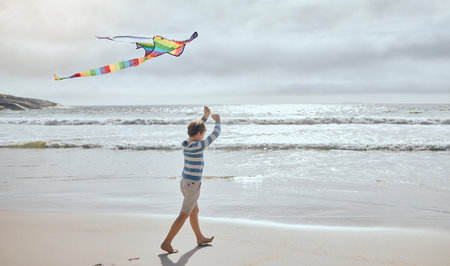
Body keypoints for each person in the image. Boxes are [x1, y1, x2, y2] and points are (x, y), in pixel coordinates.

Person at [161, 106, 221, 253]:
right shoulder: (199, 146)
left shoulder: (187, 143)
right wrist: (218, 121)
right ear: (200, 134)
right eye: (203, 134)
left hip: (184, 183)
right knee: (184, 215)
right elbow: (215, 134)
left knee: (194, 211)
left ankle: (199, 237)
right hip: (192, 186)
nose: (203, 136)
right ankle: (166, 243)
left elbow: (196, 129)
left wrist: (205, 117)